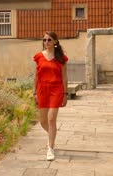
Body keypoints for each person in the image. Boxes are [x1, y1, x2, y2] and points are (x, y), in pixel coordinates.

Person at [33, 31, 68, 161]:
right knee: (43, 121)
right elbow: (36, 76)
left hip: (56, 89)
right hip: (42, 89)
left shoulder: (61, 58)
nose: (46, 42)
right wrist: (34, 92)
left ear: (55, 42)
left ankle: (50, 148)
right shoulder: (38, 57)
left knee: (51, 119)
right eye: (44, 40)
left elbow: (64, 77)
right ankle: (52, 136)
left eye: (49, 40)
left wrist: (65, 94)